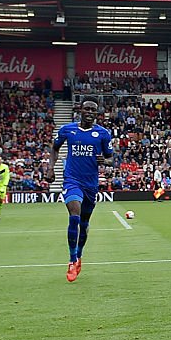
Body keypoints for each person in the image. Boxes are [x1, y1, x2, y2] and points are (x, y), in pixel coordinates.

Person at [45, 100, 114, 283]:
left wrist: (104, 162)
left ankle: (79, 255)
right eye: (87, 109)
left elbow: (110, 158)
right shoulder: (68, 130)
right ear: (80, 110)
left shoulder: (103, 134)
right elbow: (55, 148)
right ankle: (71, 259)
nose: (90, 112)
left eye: (93, 110)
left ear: (96, 113)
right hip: (71, 180)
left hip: (90, 184)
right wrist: (51, 168)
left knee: (84, 224)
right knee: (74, 215)